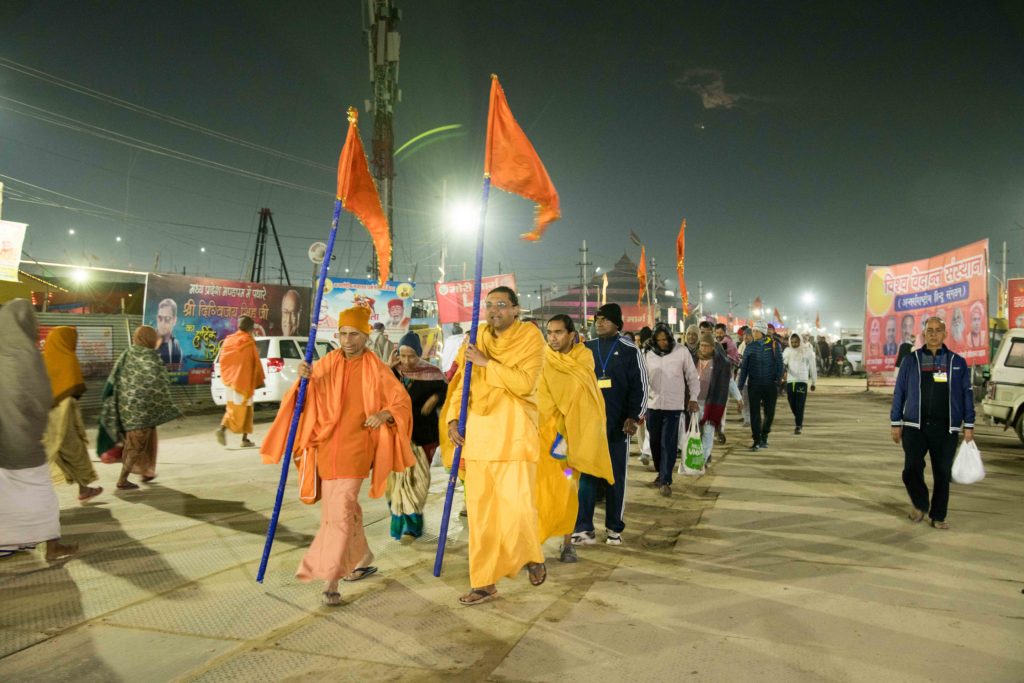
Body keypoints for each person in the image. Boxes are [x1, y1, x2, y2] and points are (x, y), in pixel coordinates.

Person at [261, 305, 415, 606]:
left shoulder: (377, 369)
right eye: (343, 334)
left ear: (366, 336)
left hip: (357, 448)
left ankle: (330, 582)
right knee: (339, 511)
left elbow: (402, 402)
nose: (347, 340)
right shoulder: (327, 362)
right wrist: (303, 379)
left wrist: (384, 414)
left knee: (340, 513)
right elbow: (302, 400)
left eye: (354, 335)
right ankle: (363, 557)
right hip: (326, 448)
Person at [443, 286, 547, 605]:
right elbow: (463, 383)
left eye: (501, 305)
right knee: (481, 517)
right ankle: (484, 582)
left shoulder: (530, 337)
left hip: (514, 435)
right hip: (480, 438)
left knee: (518, 510)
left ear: (516, 309)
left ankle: (532, 555)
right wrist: (452, 419)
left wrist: (487, 363)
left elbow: (524, 383)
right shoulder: (476, 338)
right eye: (489, 305)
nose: (494, 311)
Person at [0, 300, 78, 561]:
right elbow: (41, 397)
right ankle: (53, 547)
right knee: (41, 494)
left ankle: (10, 544)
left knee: (6, 497)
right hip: (23, 442)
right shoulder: (27, 357)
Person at [538, 315, 614, 564]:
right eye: (549, 332)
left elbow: (583, 401)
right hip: (543, 437)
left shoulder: (583, 361)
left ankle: (567, 543)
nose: (553, 338)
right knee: (540, 490)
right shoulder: (543, 359)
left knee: (569, 491)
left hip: (569, 442)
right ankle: (533, 543)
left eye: (558, 332)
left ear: (572, 334)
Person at [572, 303, 648, 545]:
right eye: (598, 319)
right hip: (588, 427)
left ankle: (614, 528)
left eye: (605, 319)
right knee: (587, 477)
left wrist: (634, 417)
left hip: (617, 427)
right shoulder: (585, 349)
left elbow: (641, 387)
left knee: (615, 478)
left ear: (617, 324)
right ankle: (584, 528)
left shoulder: (629, 350)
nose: (600, 323)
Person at [890, 316, 974, 529]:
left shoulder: (957, 363)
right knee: (911, 468)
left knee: (942, 473)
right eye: (930, 330)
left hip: (946, 428)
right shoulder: (912, 360)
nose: (934, 334)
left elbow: (966, 394)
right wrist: (895, 422)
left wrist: (969, 425)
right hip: (914, 426)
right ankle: (920, 503)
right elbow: (899, 391)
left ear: (945, 334)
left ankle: (938, 516)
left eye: (938, 330)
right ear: (923, 334)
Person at [97, 325, 181, 490]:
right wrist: (169, 406)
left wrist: (112, 400)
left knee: (144, 442)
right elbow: (161, 385)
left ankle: (146, 471)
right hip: (144, 411)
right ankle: (122, 480)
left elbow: (114, 378)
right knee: (135, 445)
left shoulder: (127, 354)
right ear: (149, 339)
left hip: (126, 408)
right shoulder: (152, 358)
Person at [386, 331, 447, 540]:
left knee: (417, 482)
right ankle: (399, 521)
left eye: (411, 355)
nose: (406, 361)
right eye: (402, 355)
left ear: (419, 354)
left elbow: (447, 393)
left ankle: (412, 525)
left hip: (423, 437)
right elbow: (376, 390)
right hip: (397, 436)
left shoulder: (433, 373)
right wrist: (388, 367)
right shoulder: (394, 372)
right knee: (396, 483)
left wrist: (435, 398)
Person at [41, 327, 103, 502]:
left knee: (55, 452)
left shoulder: (43, 359)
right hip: (65, 414)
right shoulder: (68, 358)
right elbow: (74, 390)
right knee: (73, 451)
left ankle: (83, 488)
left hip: (46, 416)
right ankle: (83, 488)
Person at [644, 323, 699, 497]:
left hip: (674, 406)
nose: (662, 343)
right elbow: (642, 380)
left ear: (669, 337)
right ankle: (661, 472)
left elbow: (692, 376)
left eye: (665, 339)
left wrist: (693, 398)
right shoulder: (648, 354)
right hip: (653, 405)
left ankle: (666, 479)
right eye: (659, 340)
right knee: (654, 443)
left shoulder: (681, 352)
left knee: (668, 443)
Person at [216, 316, 265, 448]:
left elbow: (223, 360)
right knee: (246, 410)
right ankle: (244, 439)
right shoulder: (248, 342)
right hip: (243, 382)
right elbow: (254, 362)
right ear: (250, 328)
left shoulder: (229, 340)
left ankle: (222, 429)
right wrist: (259, 379)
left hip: (230, 381)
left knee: (231, 408)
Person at [738, 321, 784, 451]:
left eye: (756, 331)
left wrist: (777, 381)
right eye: (753, 331)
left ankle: (765, 435)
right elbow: (744, 369)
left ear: (762, 332)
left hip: (770, 385)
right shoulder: (750, 347)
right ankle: (756, 440)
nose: (753, 333)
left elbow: (780, 365)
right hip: (754, 385)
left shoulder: (775, 345)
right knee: (755, 414)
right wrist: (740, 386)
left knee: (769, 413)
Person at [782, 333, 817, 434]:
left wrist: (814, 382)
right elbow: (782, 361)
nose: (794, 344)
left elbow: (813, 368)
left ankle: (798, 425)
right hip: (790, 381)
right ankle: (798, 417)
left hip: (802, 381)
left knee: (800, 404)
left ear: (800, 341)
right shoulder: (787, 351)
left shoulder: (807, 351)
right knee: (791, 402)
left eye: (796, 342)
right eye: (792, 342)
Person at [155, 298, 184, 365]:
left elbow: (176, 372)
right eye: (160, 318)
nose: (162, 323)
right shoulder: (149, 342)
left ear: (174, 320)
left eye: (167, 319)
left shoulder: (176, 346)